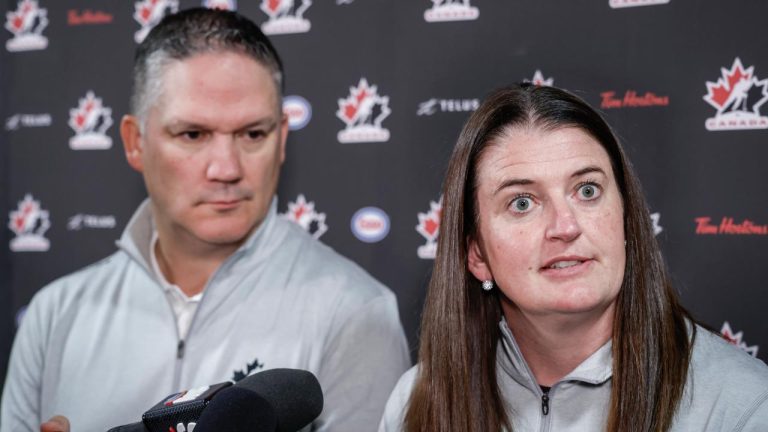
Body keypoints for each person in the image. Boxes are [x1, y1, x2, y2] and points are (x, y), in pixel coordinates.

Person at [1, 8, 410, 432]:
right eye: (193, 135)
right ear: (134, 142)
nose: (227, 168)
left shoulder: (357, 312)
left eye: (253, 134)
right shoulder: (53, 316)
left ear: (282, 138)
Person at [378, 84, 768, 432]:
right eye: (522, 202)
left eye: (586, 191)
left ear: (627, 219)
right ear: (477, 255)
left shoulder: (743, 404)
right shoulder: (416, 402)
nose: (565, 226)